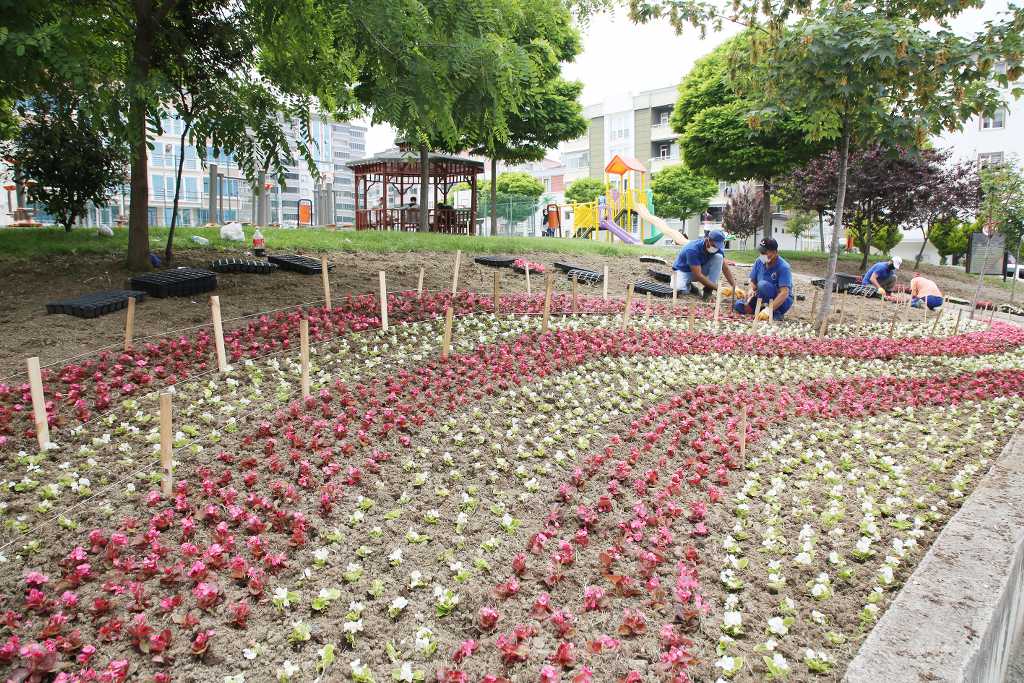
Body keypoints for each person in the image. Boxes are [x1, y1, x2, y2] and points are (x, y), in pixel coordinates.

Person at [734, 238, 793, 320]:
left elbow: (784, 293)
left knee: (762, 285)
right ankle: (760, 310)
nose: (762, 255)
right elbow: (753, 281)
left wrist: (769, 309)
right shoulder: (759, 262)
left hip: (780, 301)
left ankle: (774, 312)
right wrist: (751, 290)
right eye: (761, 252)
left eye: (765, 253)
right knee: (738, 305)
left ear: (775, 252)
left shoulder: (783, 267)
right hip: (761, 297)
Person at [670, 229, 738, 299]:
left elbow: (725, 268)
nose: (716, 248)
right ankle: (690, 287)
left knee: (719, 257)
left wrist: (735, 287)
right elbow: (698, 275)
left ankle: (708, 291)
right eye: (714, 245)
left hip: (698, 270)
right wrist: (718, 288)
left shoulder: (717, 249)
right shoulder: (692, 249)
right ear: (707, 240)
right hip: (683, 271)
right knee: (678, 289)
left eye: (718, 246)